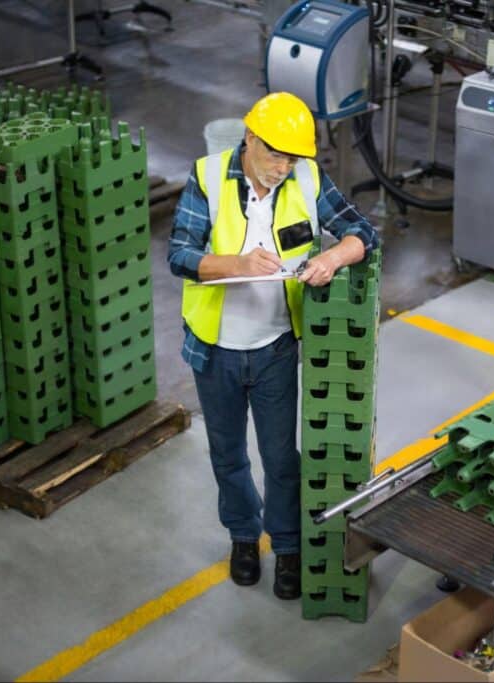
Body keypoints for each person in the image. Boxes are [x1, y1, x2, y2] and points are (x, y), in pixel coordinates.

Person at [167, 92, 380, 600]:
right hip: (215, 350)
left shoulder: (305, 178)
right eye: (274, 155)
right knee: (228, 454)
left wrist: (335, 259)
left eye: (292, 157)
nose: (283, 167)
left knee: (282, 457)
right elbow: (179, 255)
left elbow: (361, 230)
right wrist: (237, 265)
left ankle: (286, 548)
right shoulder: (209, 177)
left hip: (275, 348)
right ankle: (244, 538)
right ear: (250, 140)